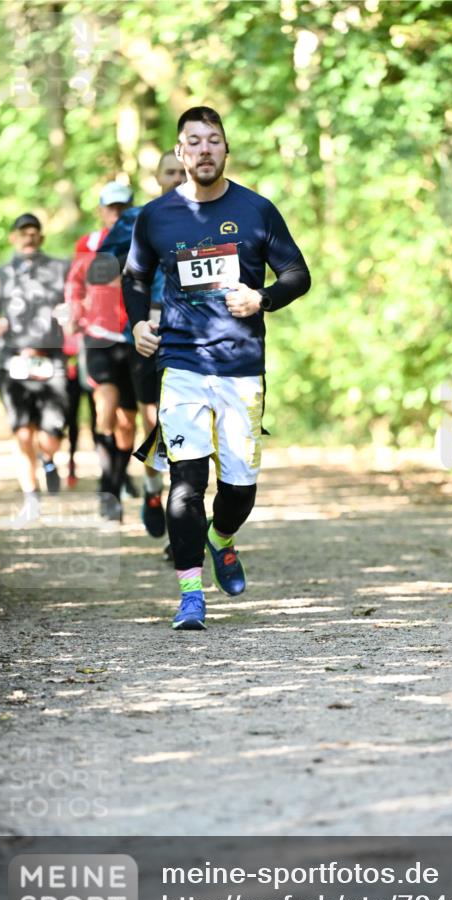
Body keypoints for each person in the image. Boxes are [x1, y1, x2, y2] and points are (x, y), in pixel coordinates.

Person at [122, 106, 310, 630]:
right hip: (180, 364)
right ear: (181, 153)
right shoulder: (156, 216)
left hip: (242, 367)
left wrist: (263, 298)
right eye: (194, 142)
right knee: (186, 482)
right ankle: (190, 595)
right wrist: (138, 323)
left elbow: (298, 274)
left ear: (226, 150)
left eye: (214, 141)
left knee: (240, 490)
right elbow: (134, 279)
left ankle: (221, 539)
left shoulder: (256, 210)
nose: (204, 150)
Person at [98, 151, 185, 540]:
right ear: (158, 177)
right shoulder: (136, 218)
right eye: (172, 172)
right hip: (151, 326)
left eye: (184, 171)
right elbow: (101, 268)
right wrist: (131, 266)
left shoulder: (219, 215)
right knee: (155, 419)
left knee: (194, 424)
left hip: (203, 331)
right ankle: (154, 491)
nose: (179, 177)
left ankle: (187, 518)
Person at [0, 214, 69, 518]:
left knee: (50, 433)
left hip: (51, 360)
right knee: (22, 431)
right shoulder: (2, 274)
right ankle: (31, 497)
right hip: (12, 361)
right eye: (23, 233)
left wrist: (68, 315)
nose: (29, 238)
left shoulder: (60, 269)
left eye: (34, 233)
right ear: (14, 238)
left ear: (41, 238)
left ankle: (48, 458)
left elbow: (75, 303)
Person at [64, 182, 138, 520]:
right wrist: (75, 313)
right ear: (102, 210)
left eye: (124, 208)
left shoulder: (145, 241)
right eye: (112, 208)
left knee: (127, 423)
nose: (117, 214)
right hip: (98, 336)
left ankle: (117, 483)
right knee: (104, 406)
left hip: (137, 339)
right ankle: (108, 489)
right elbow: (74, 283)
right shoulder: (90, 244)